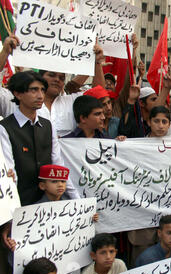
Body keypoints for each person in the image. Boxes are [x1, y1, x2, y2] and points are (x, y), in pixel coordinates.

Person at [0, 70, 80, 207]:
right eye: (34, 90)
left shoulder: (47, 125)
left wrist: (78, 202)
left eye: (42, 90)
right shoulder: (5, 128)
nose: (40, 95)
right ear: (18, 94)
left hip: (46, 204)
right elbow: (10, 172)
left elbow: (58, 164)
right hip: (20, 203)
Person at [0, 35, 106, 137]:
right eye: (51, 75)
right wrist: (5, 52)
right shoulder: (14, 100)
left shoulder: (72, 102)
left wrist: (96, 63)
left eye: (61, 78)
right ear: (40, 78)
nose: (57, 80)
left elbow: (99, 92)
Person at [126, 106, 171, 267]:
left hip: (167, 213)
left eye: (164, 121)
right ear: (148, 122)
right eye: (156, 121)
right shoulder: (135, 146)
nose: (160, 125)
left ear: (169, 125)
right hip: (143, 217)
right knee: (141, 262)